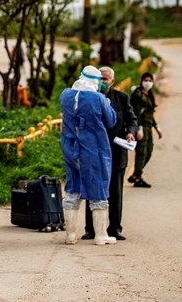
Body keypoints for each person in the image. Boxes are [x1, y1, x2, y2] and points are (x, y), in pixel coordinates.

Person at [60, 65, 117, 246]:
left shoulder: (66, 95)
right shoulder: (98, 98)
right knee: (98, 188)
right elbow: (110, 120)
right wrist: (107, 105)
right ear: (95, 81)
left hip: (71, 148)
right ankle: (100, 235)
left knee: (72, 188)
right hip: (93, 149)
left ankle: (70, 235)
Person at [82, 66, 138, 241]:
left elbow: (132, 119)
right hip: (94, 151)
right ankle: (90, 229)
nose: (102, 82)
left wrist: (131, 132)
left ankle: (114, 228)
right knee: (93, 189)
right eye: (100, 78)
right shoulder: (89, 97)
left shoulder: (122, 98)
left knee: (115, 191)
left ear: (112, 81)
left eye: (105, 79)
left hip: (116, 151)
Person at [129, 72, 163, 188]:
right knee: (142, 152)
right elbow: (136, 113)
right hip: (142, 126)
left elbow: (149, 113)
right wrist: (139, 128)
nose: (148, 83)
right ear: (142, 81)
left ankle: (136, 174)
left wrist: (156, 127)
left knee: (149, 151)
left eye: (150, 81)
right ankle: (137, 177)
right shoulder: (138, 95)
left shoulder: (149, 94)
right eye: (146, 80)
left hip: (148, 126)